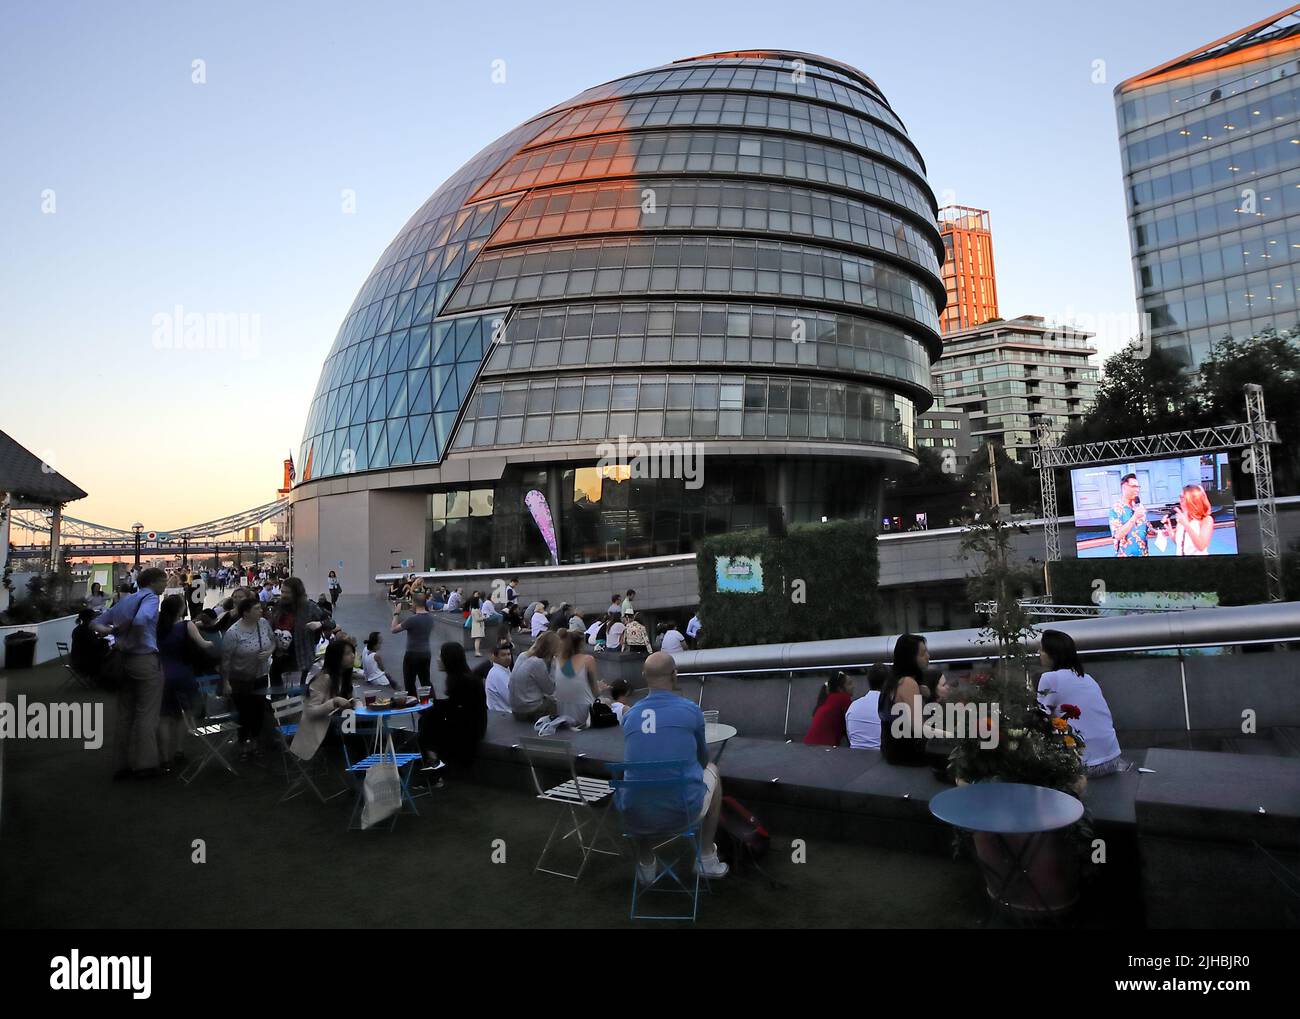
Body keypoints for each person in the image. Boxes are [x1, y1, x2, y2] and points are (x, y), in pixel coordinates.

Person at [619, 651, 728, 882]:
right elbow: (702, 760)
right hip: (683, 812)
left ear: (643, 676)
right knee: (713, 772)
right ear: (675, 675)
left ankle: (646, 862)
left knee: (640, 783)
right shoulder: (690, 710)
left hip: (635, 815)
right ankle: (706, 858)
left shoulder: (630, 716)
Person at [91, 566, 168, 779]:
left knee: (125, 715)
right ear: (153, 582)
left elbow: (95, 623)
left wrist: (114, 633)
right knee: (147, 712)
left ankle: (121, 765)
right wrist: (133, 634)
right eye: (164, 581)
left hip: (123, 661)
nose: (166, 585)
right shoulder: (151, 598)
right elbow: (142, 620)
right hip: (144, 659)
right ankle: (146, 765)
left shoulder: (125, 600)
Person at [1037, 629, 1128, 778]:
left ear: (1053, 654)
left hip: (1084, 765)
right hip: (1113, 758)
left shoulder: (1050, 678)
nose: (1039, 653)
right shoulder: (1087, 678)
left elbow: (1039, 717)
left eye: (1042, 649)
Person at [156, 594, 215, 771]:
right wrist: (212, 643)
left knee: (164, 717)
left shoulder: (157, 627)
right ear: (181, 608)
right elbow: (203, 644)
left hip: (162, 675)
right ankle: (179, 750)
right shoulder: (186, 625)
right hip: (183, 674)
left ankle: (164, 759)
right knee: (185, 713)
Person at [220, 596, 275, 760]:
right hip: (240, 679)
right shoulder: (233, 633)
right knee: (244, 713)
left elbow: (273, 641)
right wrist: (225, 682)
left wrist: (269, 652)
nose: (261, 611)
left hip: (261, 675)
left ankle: (256, 743)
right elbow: (225, 660)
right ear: (246, 613)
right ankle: (243, 743)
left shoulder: (263, 623)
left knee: (258, 710)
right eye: (257, 609)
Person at [291, 638, 358, 762]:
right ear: (336, 657)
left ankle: (367, 769)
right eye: (348, 653)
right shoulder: (324, 678)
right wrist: (334, 702)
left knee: (368, 729)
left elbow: (352, 700)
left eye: (352, 652)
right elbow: (310, 711)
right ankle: (365, 771)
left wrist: (356, 703)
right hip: (321, 729)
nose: (353, 656)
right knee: (360, 735)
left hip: (340, 724)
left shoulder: (344, 677)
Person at [425, 641, 487, 770]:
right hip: (473, 724)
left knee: (427, 726)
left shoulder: (463, 681)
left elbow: (455, 710)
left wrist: (432, 706)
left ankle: (434, 767)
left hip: (470, 729)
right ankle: (434, 763)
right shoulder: (462, 677)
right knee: (428, 721)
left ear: (449, 660)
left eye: (440, 656)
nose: (437, 660)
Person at [879, 634, 931, 766]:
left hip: (892, 751)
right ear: (910, 658)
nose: (928, 656)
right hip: (908, 754)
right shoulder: (908, 683)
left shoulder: (892, 681)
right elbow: (920, 727)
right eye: (923, 653)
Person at [551, 629, 600, 728]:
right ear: (581, 644)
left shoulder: (556, 660)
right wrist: (601, 688)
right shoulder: (588, 660)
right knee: (608, 702)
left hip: (562, 711)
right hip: (584, 714)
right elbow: (596, 692)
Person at [391, 591, 436, 697]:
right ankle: (431, 704)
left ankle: (413, 704)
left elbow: (393, 629)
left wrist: (396, 613)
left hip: (412, 654)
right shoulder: (430, 618)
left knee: (409, 682)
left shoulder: (412, 620)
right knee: (425, 681)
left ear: (414, 602)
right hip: (426, 653)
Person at [509, 630, 559, 722]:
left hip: (515, 709)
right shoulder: (537, 663)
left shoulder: (522, 655)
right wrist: (553, 665)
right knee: (560, 703)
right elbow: (550, 690)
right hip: (529, 711)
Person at [1161, 483, 1214, 556]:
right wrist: (1170, 530)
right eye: (1180, 498)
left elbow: (1201, 546)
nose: (1180, 501)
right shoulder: (1183, 517)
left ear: (1193, 500)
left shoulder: (1206, 520)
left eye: (1182, 498)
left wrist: (1186, 524)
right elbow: (1180, 543)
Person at [1109, 472, 1154, 558]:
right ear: (1124, 487)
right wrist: (1135, 517)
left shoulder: (1139, 506)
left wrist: (1158, 531)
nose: (1137, 490)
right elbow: (1117, 535)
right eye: (1134, 487)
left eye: (1138, 487)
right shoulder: (1115, 509)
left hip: (1143, 554)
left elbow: (1147, 528)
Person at [804, 670, 853, 746]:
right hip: (824, 747)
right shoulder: (844, 699)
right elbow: (851, 724)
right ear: (840, 688)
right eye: (849, 684)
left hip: (808, 744)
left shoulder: (828, 700)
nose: (853, 686)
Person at [846, 666, 888, 749]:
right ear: (887, 683)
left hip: (854, 757)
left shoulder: (853, 706)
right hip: (881, 758)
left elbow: (850, 736)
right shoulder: (889, 706)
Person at [70, 608, 110, 682]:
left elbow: (86, 643)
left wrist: (98, 637)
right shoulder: (86, 630)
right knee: (108, 650)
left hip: (75, 659)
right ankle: (102, 676)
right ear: (89, 618)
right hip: (84, 662)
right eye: (94, 618)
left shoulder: (77, 629)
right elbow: (93, 645)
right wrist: (104, 640)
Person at [484, 640, 514, 713]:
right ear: (495, 657)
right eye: (503, 655)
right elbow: (512, 700)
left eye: (509, 654)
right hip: (503, 714)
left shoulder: (503, 669)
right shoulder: (498, 674)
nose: (507, 657)